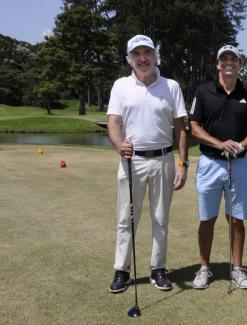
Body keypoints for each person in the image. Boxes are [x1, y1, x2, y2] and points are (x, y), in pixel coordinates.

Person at [107, 34, 189, 293]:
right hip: (132, 161)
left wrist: (183, 162)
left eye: (147, 53)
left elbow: (181, 128)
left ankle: (158, 268)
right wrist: (120, 145)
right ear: (129, 59)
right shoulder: (121, 85)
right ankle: (122, 270)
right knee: (126, 219)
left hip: (164, 159)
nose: (143, 58)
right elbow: (113, 123)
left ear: (155, 56)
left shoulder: (171, 86)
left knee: (160, 218)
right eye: (137, 54)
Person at [189, 45, 247, 290]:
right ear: (217, 64)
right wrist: (219, 143)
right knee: (206, 218)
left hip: (239, 163)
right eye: (224, 59)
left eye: (234, 59)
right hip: (210, 163)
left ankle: (237, 269)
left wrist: (241, 145)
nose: (229, 63)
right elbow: (194, 127)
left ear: (240, 65)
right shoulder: (204, 91)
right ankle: (204, 269)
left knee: (237, 218)